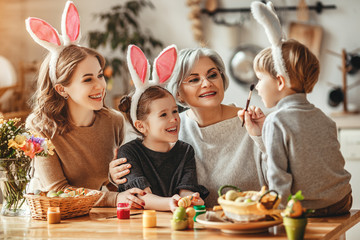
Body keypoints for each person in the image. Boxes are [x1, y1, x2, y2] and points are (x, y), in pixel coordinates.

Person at [110, 47, 267, 207]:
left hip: (249, 222)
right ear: (178, 93)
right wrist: (115, 175)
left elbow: (280, 175)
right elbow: (144, 162)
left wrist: (262, 137)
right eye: (194, 79)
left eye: (212, 75)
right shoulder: (171, 130)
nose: (207, 83)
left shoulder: (253, 122)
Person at [25, 1, 145, 208]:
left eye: (100, 75)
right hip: (52, 218)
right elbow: (57, 190)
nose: (100, 85)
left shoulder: (114, 121)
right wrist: (113, 198)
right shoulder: (39, 128)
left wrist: (122, 184)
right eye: (88, 79)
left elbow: (113, 183)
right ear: (62, 89)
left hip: (93, 214)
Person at [239, 2, 352, 216]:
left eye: (260, 79)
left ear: (280, 82)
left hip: (308, 208)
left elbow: (278, 176)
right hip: (341, 200)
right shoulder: (323, 118)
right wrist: (262, 134)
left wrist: (277, 214)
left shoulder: (276, 121)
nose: (258, 86)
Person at [116, 45, 208, 211]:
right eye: (163, 115)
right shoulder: (128, 153)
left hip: (175, 223)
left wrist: (191, 200)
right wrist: (172, 202)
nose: (173, 118)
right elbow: (142, 196)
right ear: (141, 126)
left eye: (175, 111)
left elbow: (186, 191)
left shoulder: (185, 151)